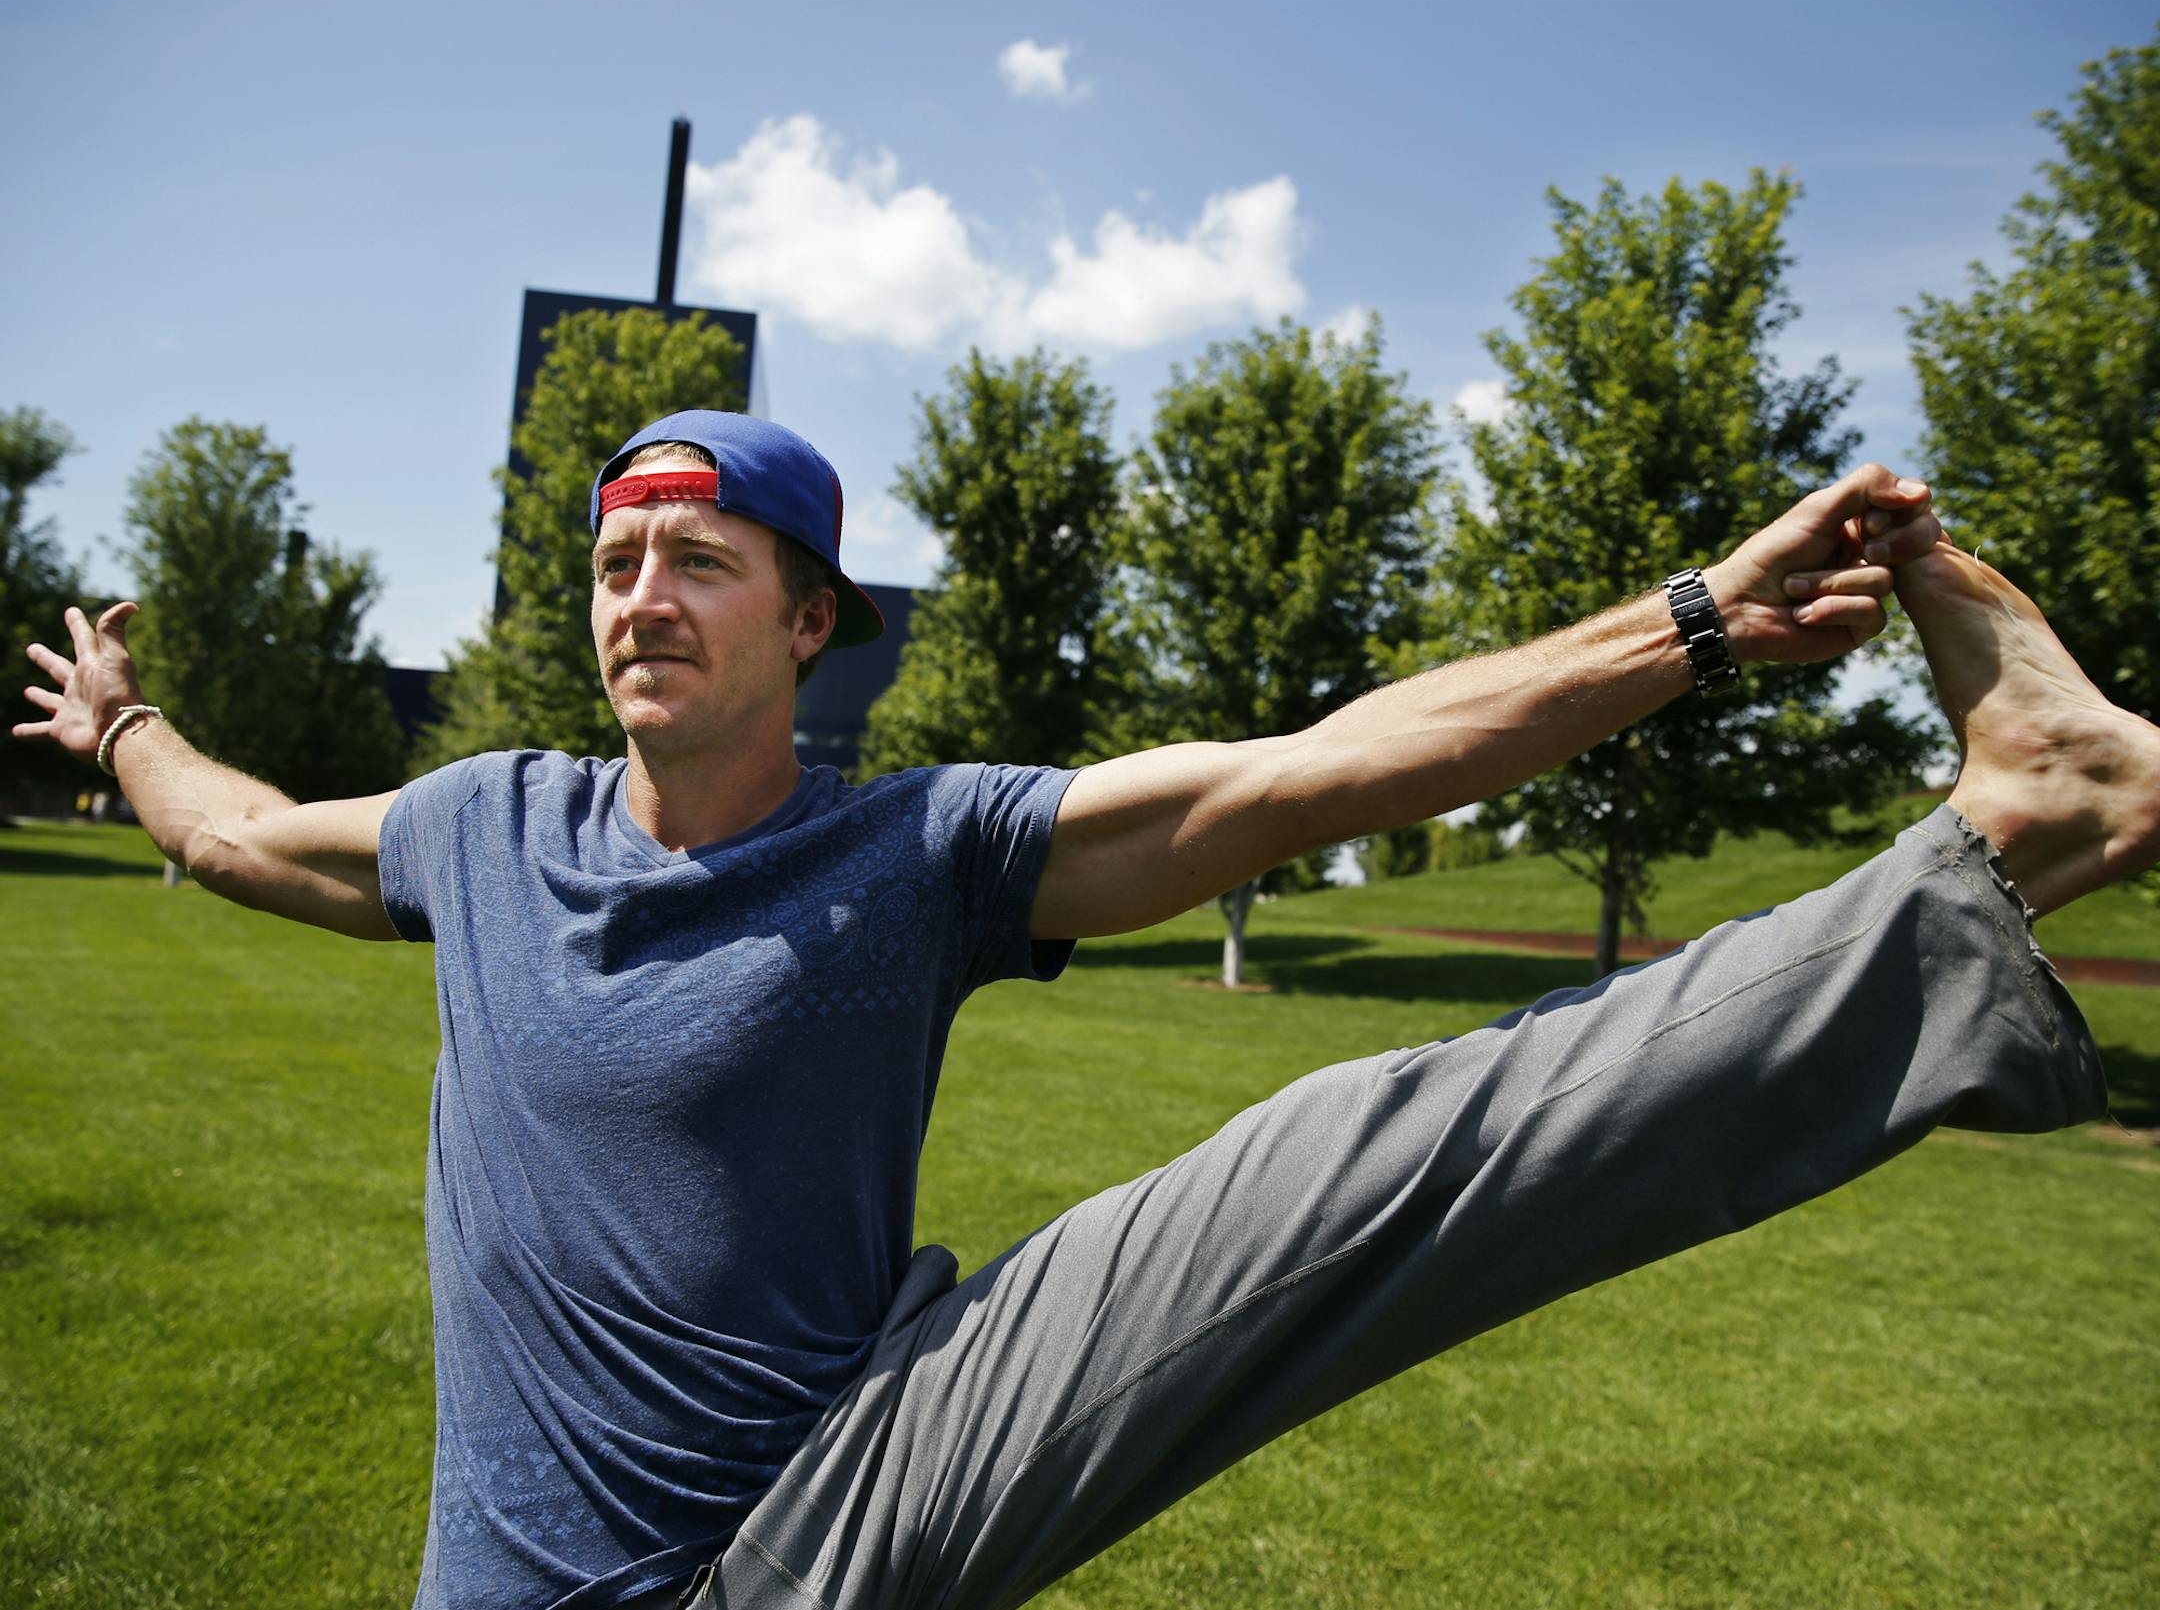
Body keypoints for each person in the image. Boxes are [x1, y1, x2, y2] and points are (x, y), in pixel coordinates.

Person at [18, 410, 2159, 1610]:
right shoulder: (478, 827)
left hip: (844, 1501)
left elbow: (1306, 774)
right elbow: (238, 832)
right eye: (613, 564)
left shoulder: (918, 849)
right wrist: (123, 729)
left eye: (700, 559)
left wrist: (1687, 622)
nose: (642, 597)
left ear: (810, 619)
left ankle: (2017, 833)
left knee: (1355, 1161)